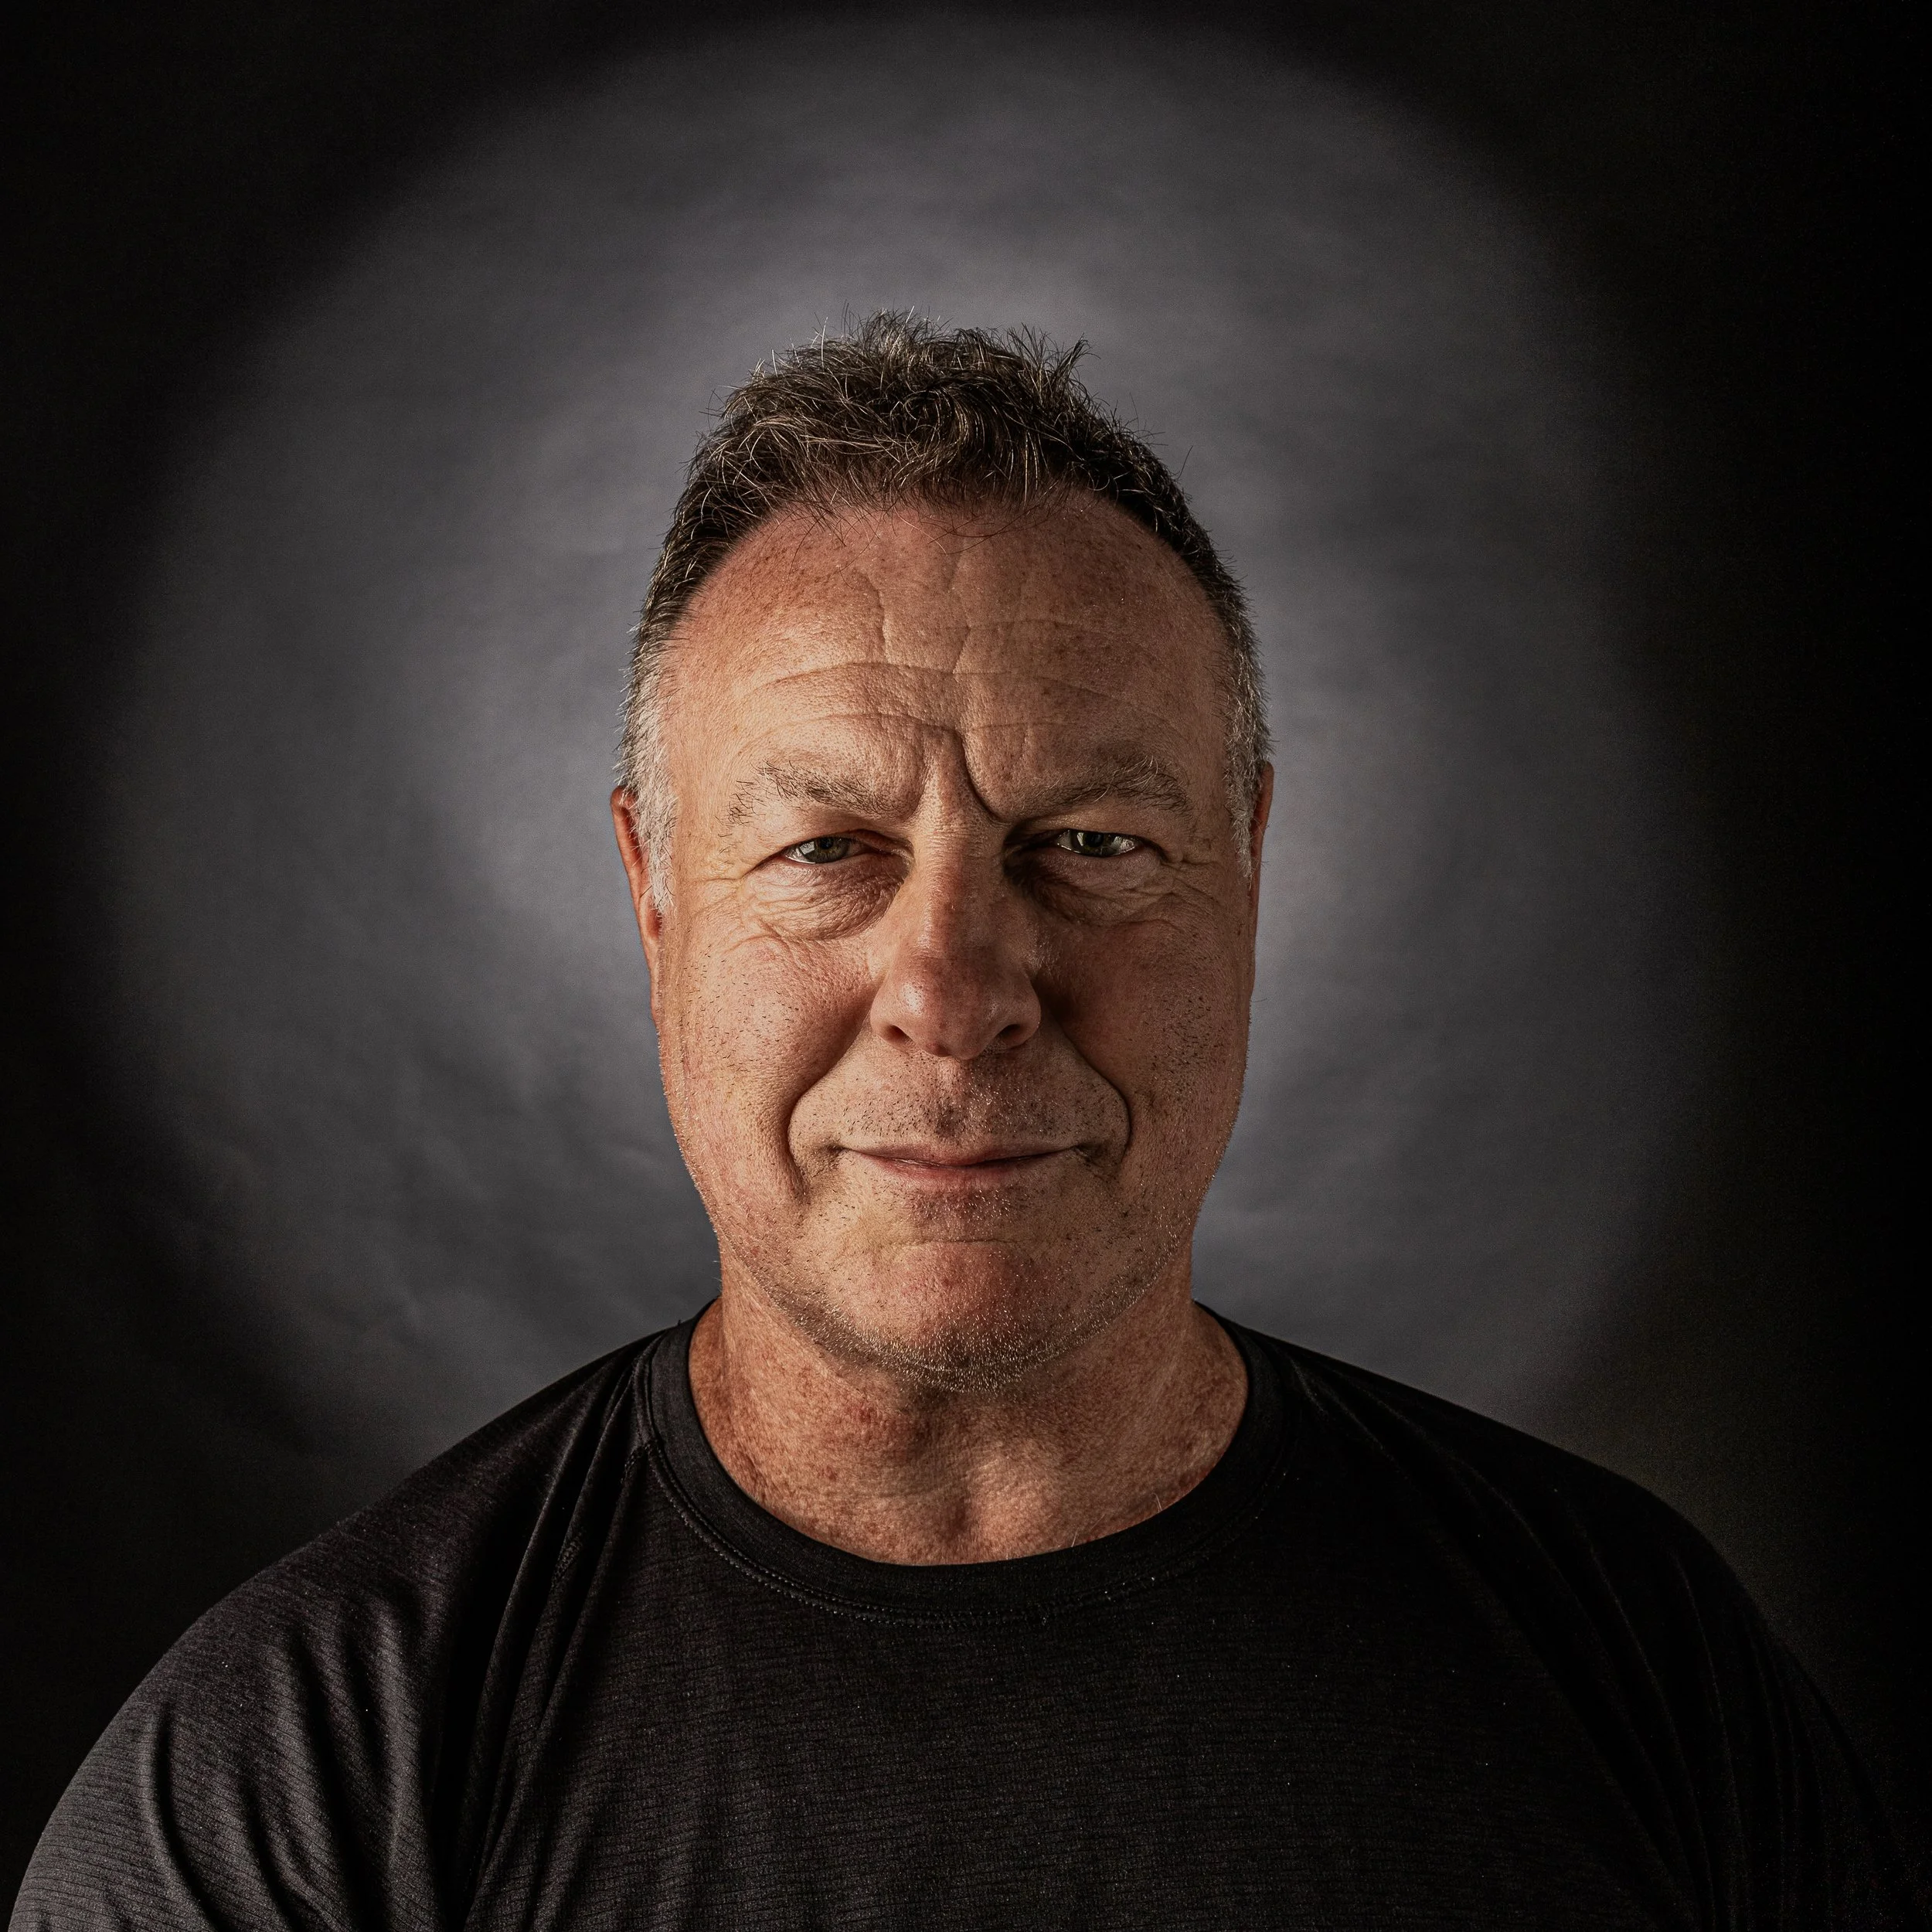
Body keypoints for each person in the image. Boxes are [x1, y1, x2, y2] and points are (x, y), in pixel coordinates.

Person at [13, 315, 1917, 1930]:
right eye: (826, 849)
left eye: (1089, 843)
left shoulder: (1628, 1665)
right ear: (654, 900)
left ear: (1244, 866)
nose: (955, 983)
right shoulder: (311, 1777)